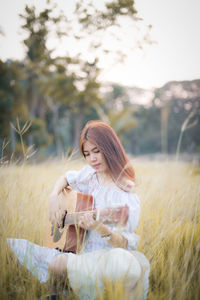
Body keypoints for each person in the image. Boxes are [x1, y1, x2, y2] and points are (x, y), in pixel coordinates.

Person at [7, 120, 150, 300]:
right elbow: (66, 177)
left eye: (97, 151)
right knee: (11, 246)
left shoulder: (125, 194)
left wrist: (101, 228)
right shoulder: (90, 175)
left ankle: (59, 294)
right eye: (87, 154)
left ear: (111, 148)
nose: (92, 159)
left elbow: (125, 245)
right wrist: (54, 197)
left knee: (58, 264)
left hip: (106, 258)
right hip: (77, 249)